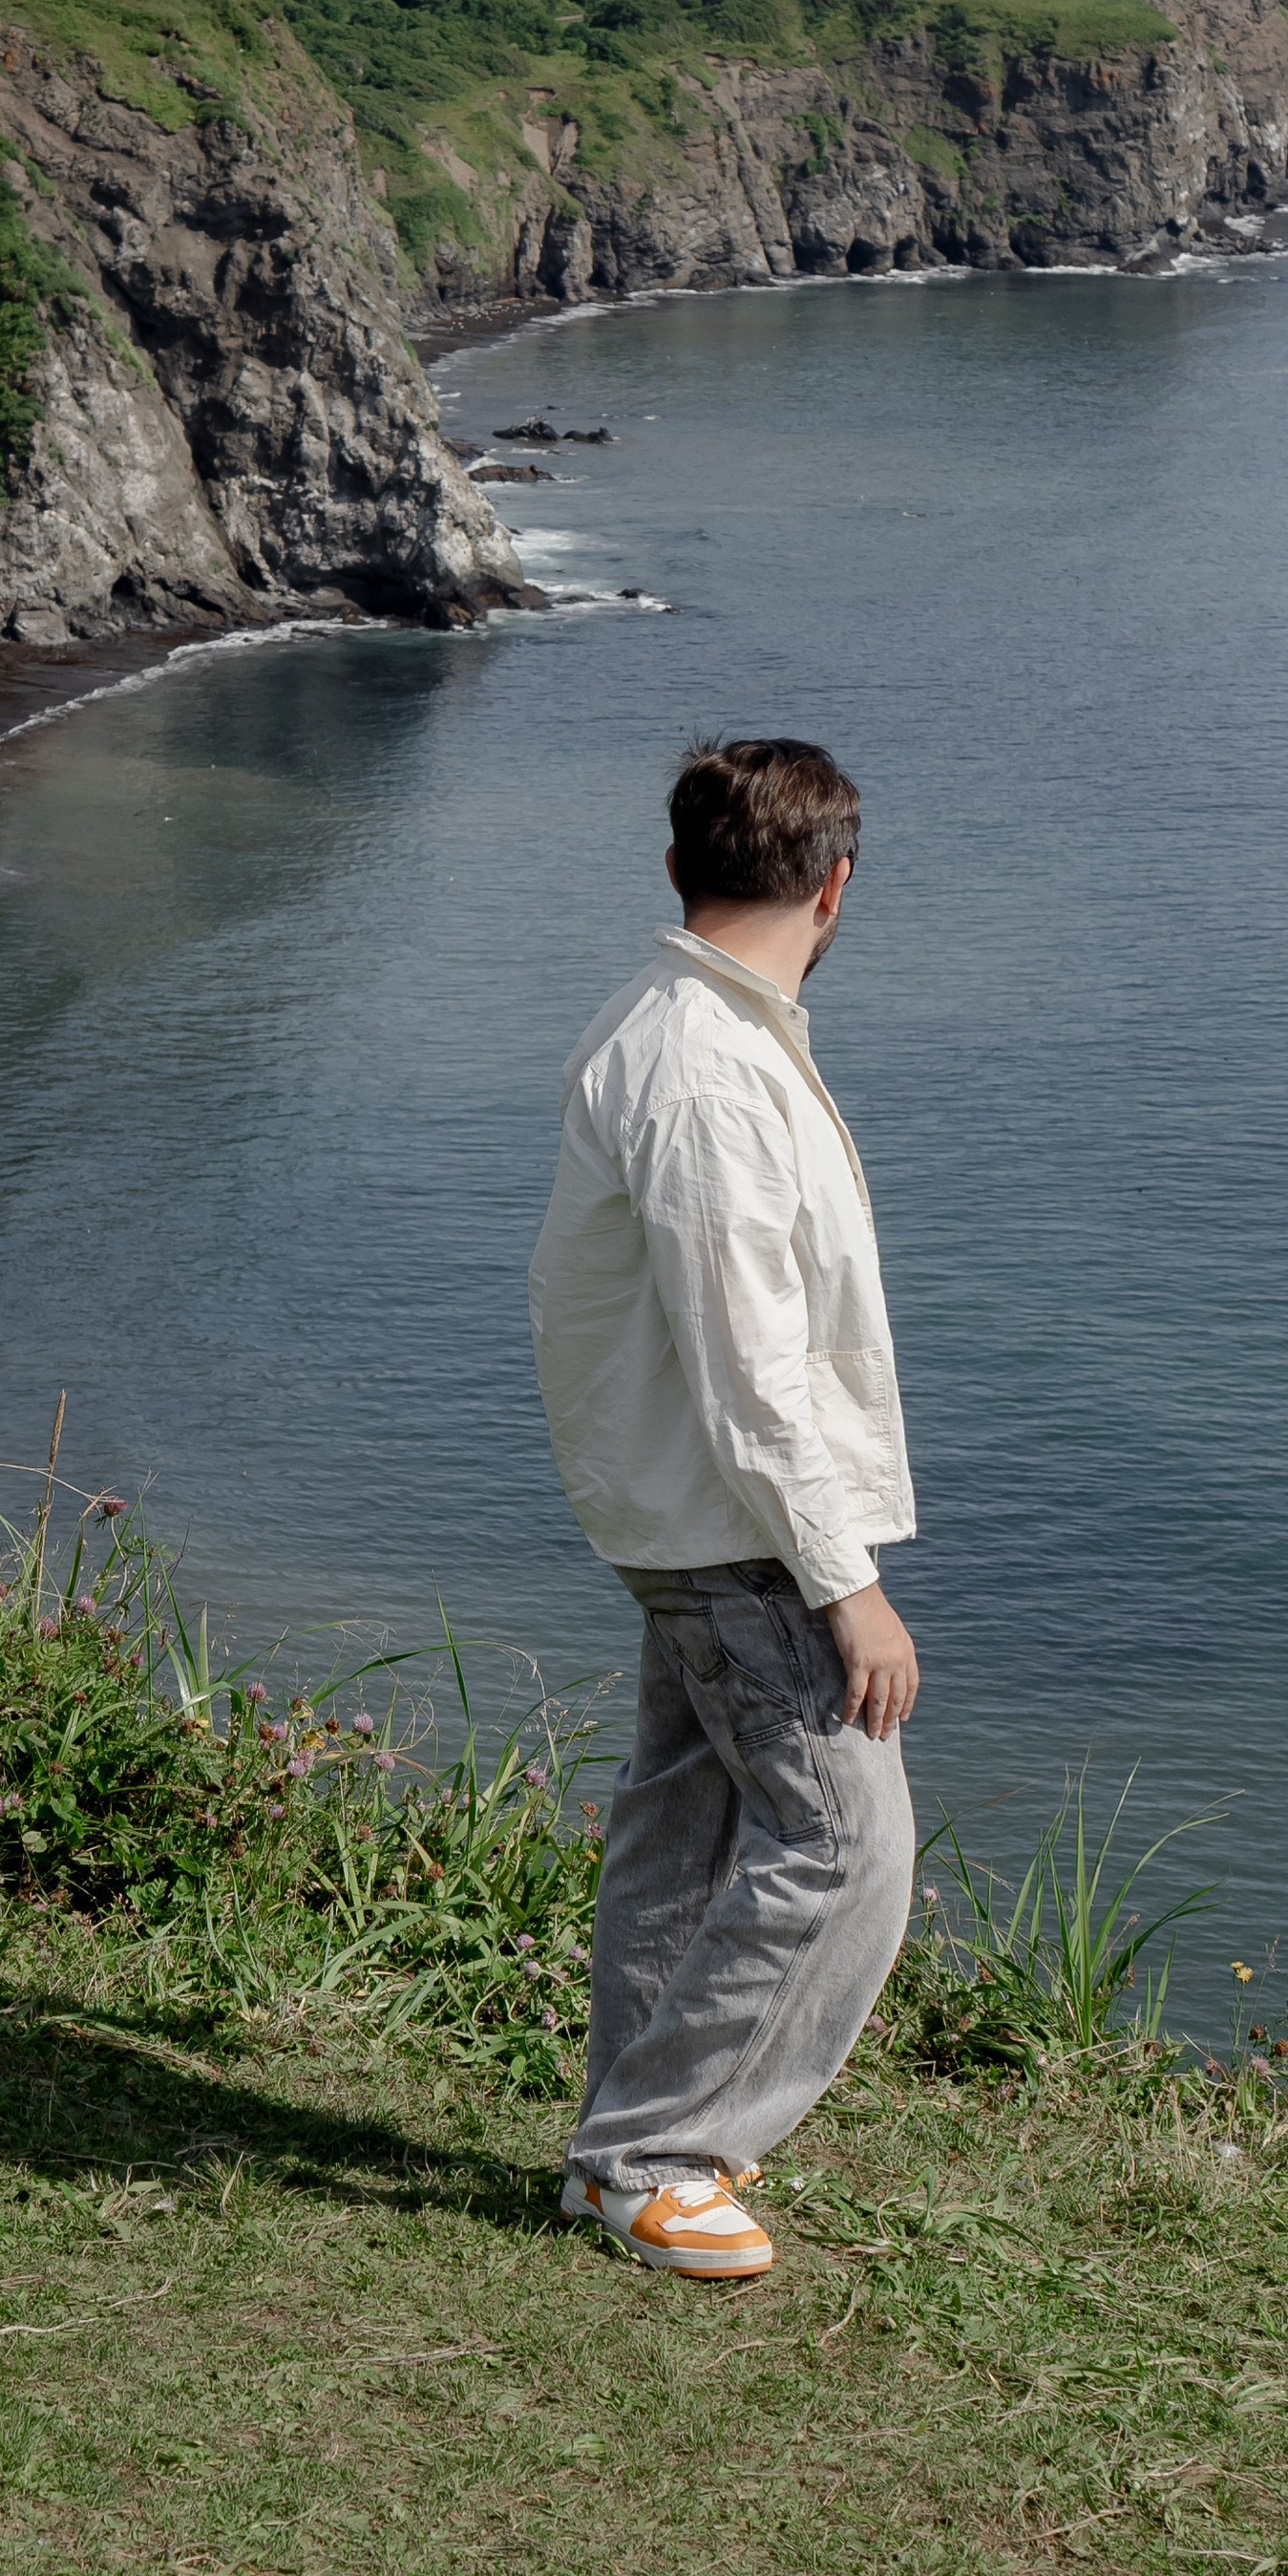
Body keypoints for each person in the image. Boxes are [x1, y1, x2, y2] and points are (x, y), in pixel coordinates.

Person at [528, 736, 918, 2281]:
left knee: (687, 1828)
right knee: (844, 1844)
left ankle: (620, 2146)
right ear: (834, 886)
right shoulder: (707, 1070)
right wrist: (847, 1584)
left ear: (681, 866)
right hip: (735, 1522)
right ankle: (658, 2156)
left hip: (682, 1505)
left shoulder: (684, 1026)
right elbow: (752, 1367)